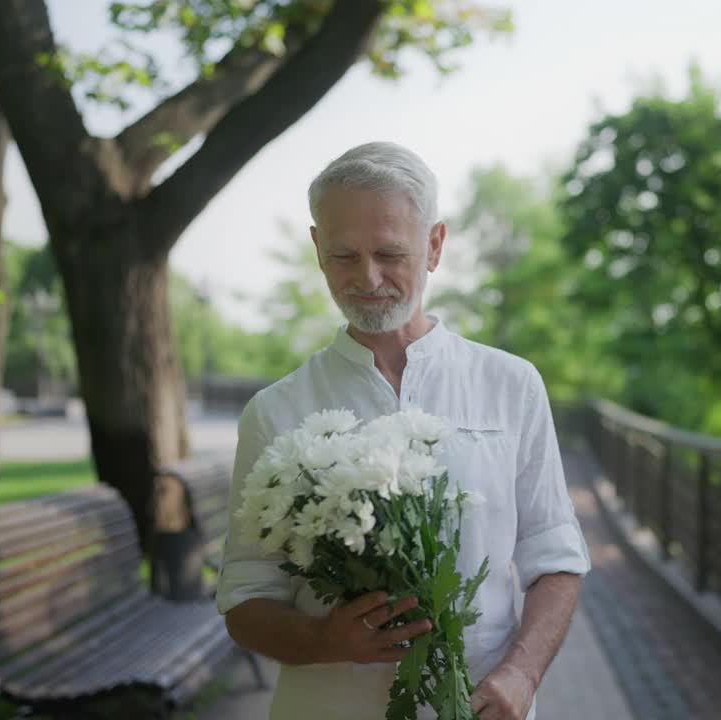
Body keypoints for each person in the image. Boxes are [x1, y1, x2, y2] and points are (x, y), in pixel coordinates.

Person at [216, 141, 591, 720]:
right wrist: (323, 641)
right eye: (344, 255)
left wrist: (522, 674)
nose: (368, 278)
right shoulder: (275, 411)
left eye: (390, 252)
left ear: (435, 245)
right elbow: (244, 597)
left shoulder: (511, 385)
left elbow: (556, 556)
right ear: (317, 248)